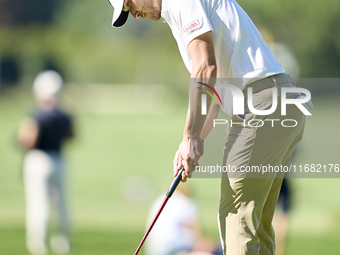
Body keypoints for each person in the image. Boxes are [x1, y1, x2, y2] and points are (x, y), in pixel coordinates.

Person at [107, 1, 307, 254]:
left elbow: (205, 68)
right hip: (279, 102)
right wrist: (193, 142)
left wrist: (189, 135)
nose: (133, 15)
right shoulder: (177, 13)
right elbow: (212, 92)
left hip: (259, 103)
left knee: (235, 216)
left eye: (128, 5)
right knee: (256, 225)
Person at [17, 70, 74, 255]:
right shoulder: (63, 115)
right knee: (62, 204)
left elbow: (29, 140)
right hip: (59, 160)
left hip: (39, 160)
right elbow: (72, 135)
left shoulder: (38, 115)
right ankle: (62, 242)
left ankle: (37, 244)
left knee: (38, 204)